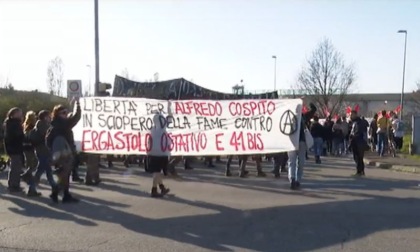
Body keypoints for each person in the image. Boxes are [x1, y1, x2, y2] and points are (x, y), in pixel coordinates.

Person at [48, 100, 81, 203]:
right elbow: (76, 118)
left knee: (64, 175)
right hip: (64, 154)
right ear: (57, 114)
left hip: (58, 154)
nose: (66, 114)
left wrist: (53, 151)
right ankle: (60, 194)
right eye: (63, 113)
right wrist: (78, 105)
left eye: (66, 112)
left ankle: (60, 194)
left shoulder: (53, 124)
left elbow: (48, 140)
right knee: (65, 174)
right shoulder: (62, 123)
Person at [288, 103, 316, 190]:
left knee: (297, 162)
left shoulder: (301, 117)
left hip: (298, 142)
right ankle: (294, 179)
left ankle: (295, 180)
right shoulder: (291, 116)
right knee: (295, 162)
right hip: (295, 142)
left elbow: (313, 110)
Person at [33, 110, 57, 190]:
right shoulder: (42, 125)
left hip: (44, 150)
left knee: (47, 169)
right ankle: (32, 188)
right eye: (49, 116)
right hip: (42, 150)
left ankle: (54, 185)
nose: (50, 117)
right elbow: (48, 136)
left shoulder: (43, 124)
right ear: (45, 117)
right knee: (40, 170)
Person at [349, 110, 368, 176]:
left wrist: (352, 138)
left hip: (358, 142)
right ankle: (361, 171)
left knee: (358, 157)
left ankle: (359, 171)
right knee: (358, 157)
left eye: (351, 114)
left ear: (355, 114)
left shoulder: (358, 123)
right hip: (356, 142)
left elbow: (358, 133)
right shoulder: (355, 122)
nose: (350, 116)